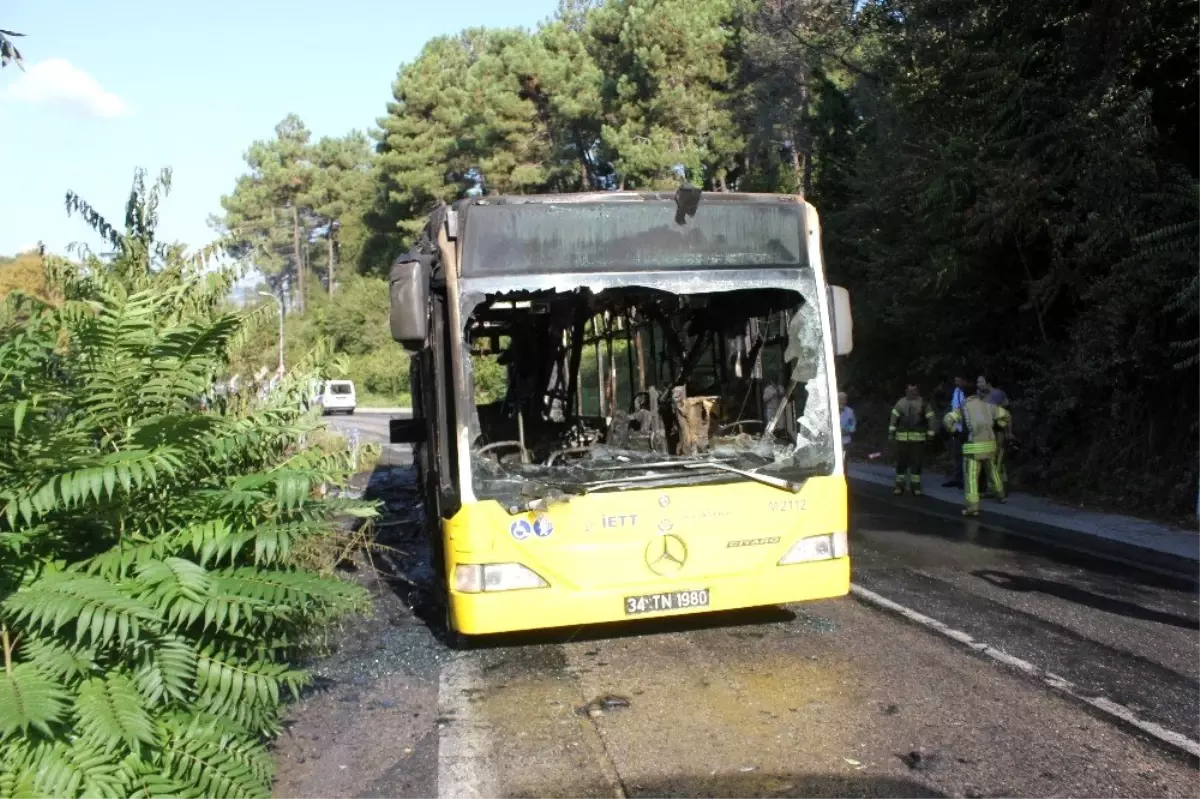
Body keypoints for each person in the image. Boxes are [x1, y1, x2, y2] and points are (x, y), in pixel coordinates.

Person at [943, 375, 1010, 517]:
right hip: (990, 446)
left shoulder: (964, 407)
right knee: (992, 471)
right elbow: (1006, 415)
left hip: (973, 448)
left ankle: (973, 507)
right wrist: (1000, 425)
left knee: (971, 478)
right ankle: (1001, 495)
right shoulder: (988, 406)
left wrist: (954, 432)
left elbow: (947, 419)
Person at [888, 384, 937, 496]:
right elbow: (893, 420)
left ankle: (916, 486)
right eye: (910, 390)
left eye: (914, 391)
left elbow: (931, 420)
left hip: (918, 441)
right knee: (901, 463)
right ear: (906, 391)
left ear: (917, 391)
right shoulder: (900, 403)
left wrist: (930, 434)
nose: (912, 393)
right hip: (902, 440)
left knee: (916, 463)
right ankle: (899, 486)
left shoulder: (924, 404)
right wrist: (891, 434)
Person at [983, 377, 1011, 492]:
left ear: (988, 383)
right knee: (997, 461)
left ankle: (998, 489)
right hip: (994, 432)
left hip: (997, 432)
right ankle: (999, 486)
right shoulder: (993, 396)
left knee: (996, 462)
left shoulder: (994, 395)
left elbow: (1007, 414)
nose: (978, 384)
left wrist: (1008, 432)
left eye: (981, 381)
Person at [943, 376, 969, 488]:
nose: (955, 381)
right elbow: (955, 408)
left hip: (967, 427)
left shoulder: (969, 392)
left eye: (958, 379)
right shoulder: (956, 391)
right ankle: (956, 478)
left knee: (967, 455)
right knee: (957, 453)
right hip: (957, 427)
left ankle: (965, 480)